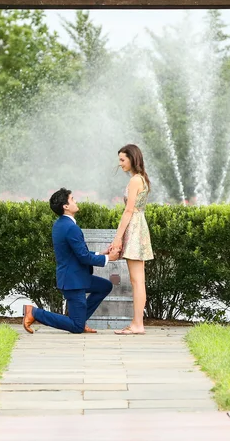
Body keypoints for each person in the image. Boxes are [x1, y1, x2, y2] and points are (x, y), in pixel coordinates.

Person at [22, 188, 113, 334]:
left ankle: (81, 320)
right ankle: (35, 313)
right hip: (74, 281)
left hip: (75, 276)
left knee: (105, 286)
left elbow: (76, 253)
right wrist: (108, 258)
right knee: (76, 327)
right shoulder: (71, 228)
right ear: (65, 206)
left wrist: (100, 254)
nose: (75, 201)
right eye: (72, 199)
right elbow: (83, 257)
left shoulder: (60, 224)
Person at [111, 144, 154, 335]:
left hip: (135, 227)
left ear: (132, 158)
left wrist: (117, 238)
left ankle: (137, 324)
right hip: (139, 226)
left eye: (122, 159)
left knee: (137, 281)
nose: (120, 164)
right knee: (138, 280)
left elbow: (129, 211)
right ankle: (137, 323)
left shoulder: (135, 180)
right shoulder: (141, 178)